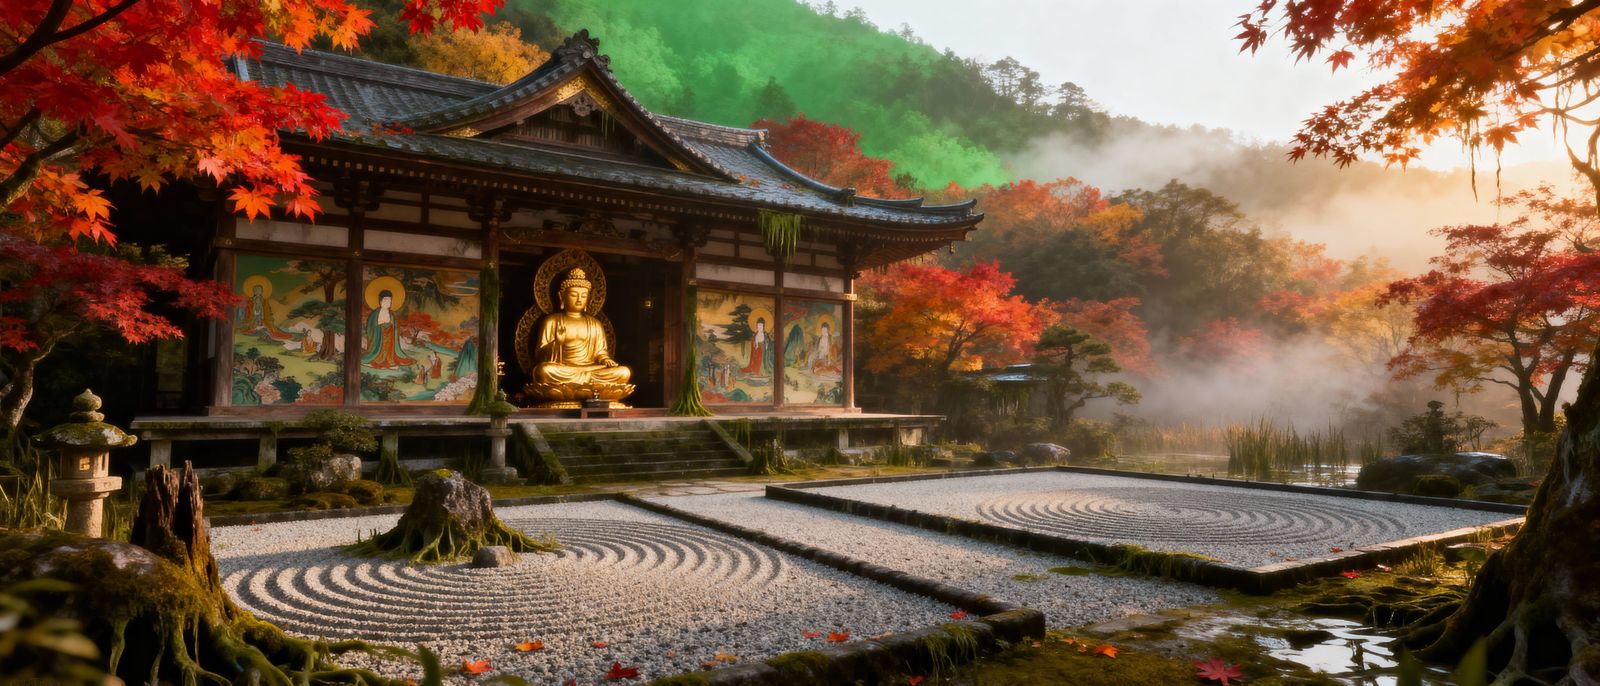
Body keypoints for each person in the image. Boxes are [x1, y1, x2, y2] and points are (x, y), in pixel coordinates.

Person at [531, 268, 632, 387]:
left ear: (588, 298)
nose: (579, 299)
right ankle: (588, 384)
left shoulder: (595, 324)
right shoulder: (552, 321)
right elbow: (539, 356)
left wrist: (605, 360)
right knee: (543, 371)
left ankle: (584, 382)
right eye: (573, 295)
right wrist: (557, 343)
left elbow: (600, 352)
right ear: (562, 296)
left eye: (584, 295)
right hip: (564, 370)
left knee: (624, 372)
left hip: (592, 369)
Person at [362, 290, 415, 369]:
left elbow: (396, 325)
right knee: (379, 351)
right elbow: (370, 327)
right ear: (381, 301)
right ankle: (377, 359)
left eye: (390, 300)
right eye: (386, 300)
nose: (389, 302)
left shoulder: (393, 314)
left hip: (390, 336)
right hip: (379, 337)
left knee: (390, 349)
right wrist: (380, 325)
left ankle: (390, 360)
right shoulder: (374, 314)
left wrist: (392, 325)